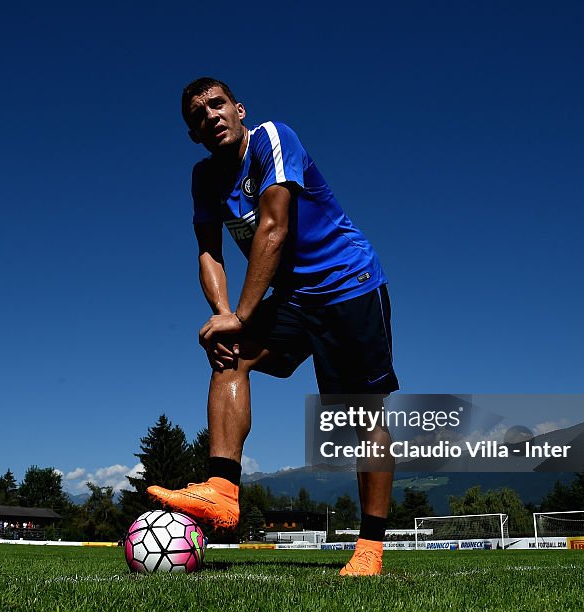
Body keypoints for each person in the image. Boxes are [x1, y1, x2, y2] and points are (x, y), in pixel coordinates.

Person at [148, 78, 400, 576]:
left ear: (239, 109)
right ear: (193, 134)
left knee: (359, 416)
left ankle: (370, 547)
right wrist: (225, 318)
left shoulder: (271, 139)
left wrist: (238, 316)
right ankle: (222, 490)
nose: (210, 116)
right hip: (291, 298)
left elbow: (273, 226)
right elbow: (207, 252)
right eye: (198, 115)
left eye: (217, 105)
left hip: (347, 284)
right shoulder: (204, 178)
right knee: (229, 357)